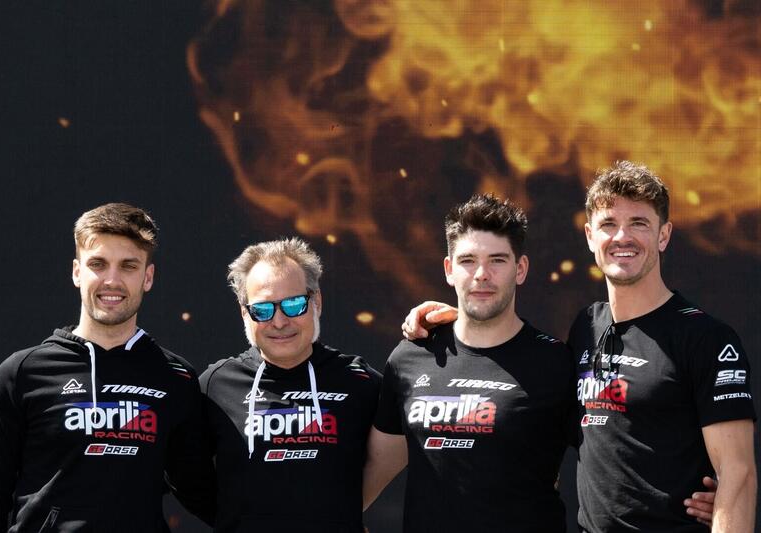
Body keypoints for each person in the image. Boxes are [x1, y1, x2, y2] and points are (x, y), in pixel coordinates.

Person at [402, 161, 755, 532]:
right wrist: (465, 318)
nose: (622, 237)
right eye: (608, 224)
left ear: (663, 235)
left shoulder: (705, 338)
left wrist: (725, 507)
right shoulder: (587, 326)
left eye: (638, 223)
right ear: (590, 236)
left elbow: (738, 474)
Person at [0, 203, 213, 532]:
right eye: (98, 264)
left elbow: (201, 491)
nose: (112, 280)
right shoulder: (22, 372)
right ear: (77, 272)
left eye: (128, 266)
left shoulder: (176, 377)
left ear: (148, 277)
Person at [364, 194, 578, 532]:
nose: (481, 274)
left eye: (497, 260)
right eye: (467, 260)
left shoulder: (556, 363)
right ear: (449, 270)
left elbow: (610, 461)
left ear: (520, 269)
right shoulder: (409, 358)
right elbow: (369, 474)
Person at [195, 238, 381, 532]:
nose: (280, 322)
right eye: (262, 310)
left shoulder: (360, 382)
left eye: (294, 305)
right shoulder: (215, 385)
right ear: (244, 312)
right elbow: (184, 473)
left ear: (316, 302)